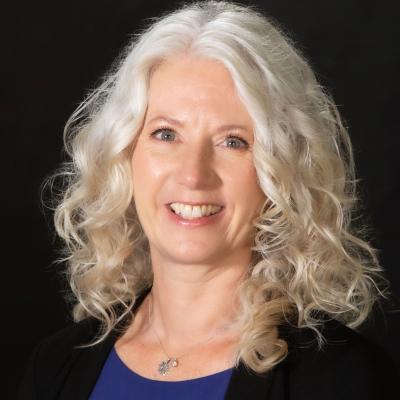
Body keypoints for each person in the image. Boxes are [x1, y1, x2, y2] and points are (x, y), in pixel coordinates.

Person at [18, 1, 398, 399]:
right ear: (125, 155)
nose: (193, 174)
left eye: (233, 141)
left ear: (280, 172)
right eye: (166, 134)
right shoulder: (56, 365)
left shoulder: (342, 379)